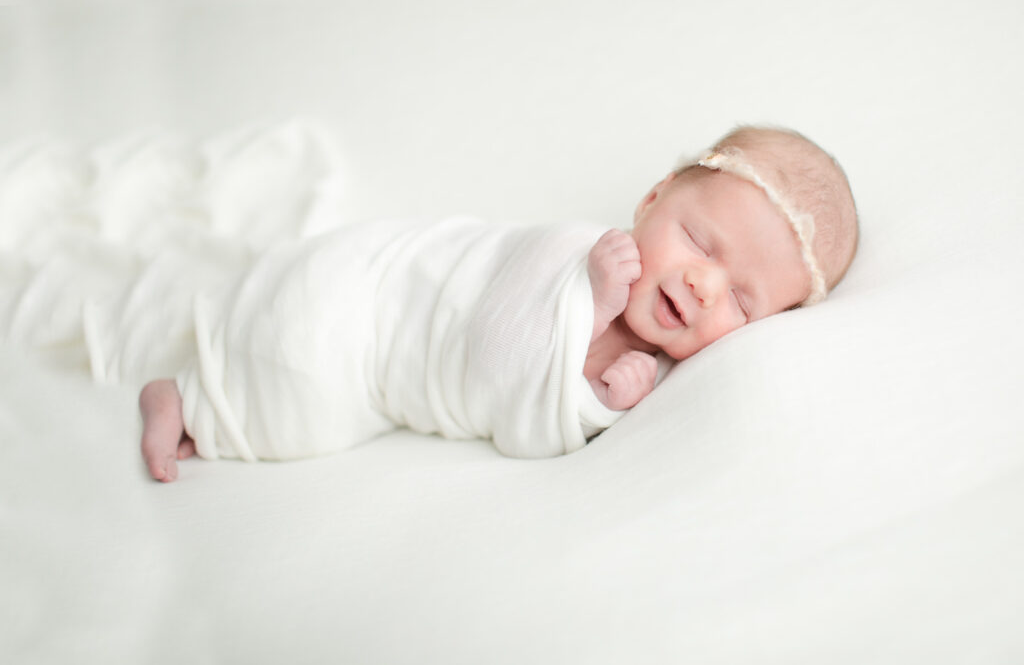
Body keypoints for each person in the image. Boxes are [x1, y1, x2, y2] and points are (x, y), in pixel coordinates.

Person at [140, 125, 858, 482]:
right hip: (366, 298)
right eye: (700, 241)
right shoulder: (582, 253)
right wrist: (588, 308)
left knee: (313, 418)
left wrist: (597, 402)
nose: (703, 285)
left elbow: (524, 429)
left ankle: (209, 403)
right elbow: (495, 351)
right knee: (300, 385)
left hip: (389, 376)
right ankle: (185, 397)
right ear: (651, 202)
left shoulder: (659, 374)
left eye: (740, 299)